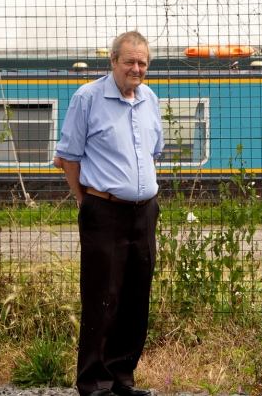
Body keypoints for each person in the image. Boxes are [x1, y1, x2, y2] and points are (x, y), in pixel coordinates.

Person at [54, 30, 164, 396]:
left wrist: (143, 190)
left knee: (136, 299)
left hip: (144, 212)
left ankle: (122, 378)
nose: (136, 68)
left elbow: (152, 153)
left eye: (142, 63)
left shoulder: (150, 98)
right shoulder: (87, 97)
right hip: (103, 210)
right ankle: (94, 383)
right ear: (113, 61)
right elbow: (66, 157)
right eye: (129, 61)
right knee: (103, 299)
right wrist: (87, 202)